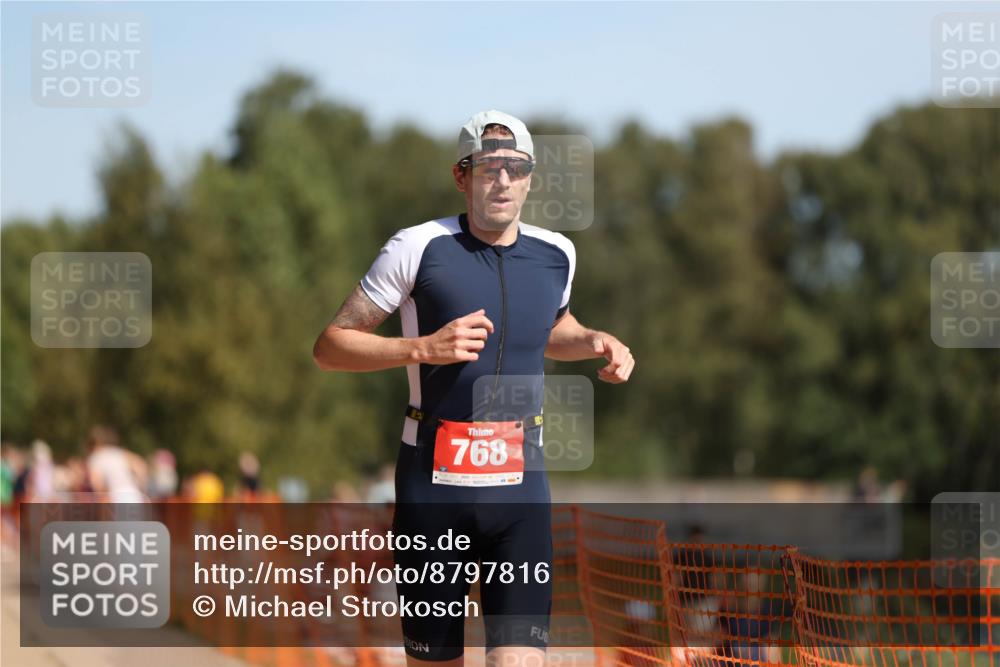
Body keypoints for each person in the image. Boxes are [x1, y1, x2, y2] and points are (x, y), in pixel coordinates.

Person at [313, 110, 634, 666]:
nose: (503, 180)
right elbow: (331, 346)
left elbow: (550, 330)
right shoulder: (417, 247)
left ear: (531, 177)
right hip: (431, 486)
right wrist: (422, 348)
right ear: (462, 176)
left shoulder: (557, 254)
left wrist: (595, 339)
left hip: (520, 489)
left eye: (516, 167)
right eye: (488, 167)